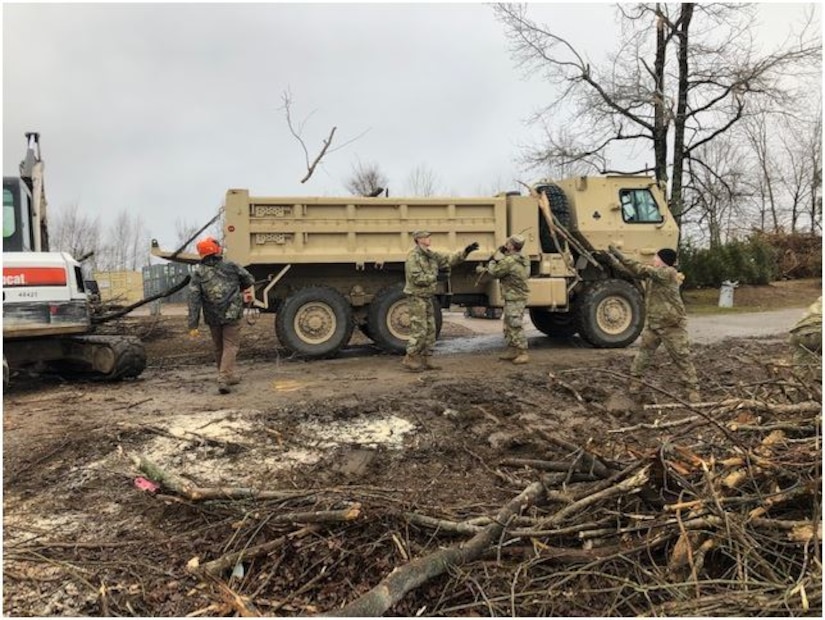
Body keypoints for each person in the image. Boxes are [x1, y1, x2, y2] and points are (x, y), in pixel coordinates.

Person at [607, 245, 700, 403]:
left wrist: (618, 254)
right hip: (654, 324)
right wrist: (611, 261)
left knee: (681, 357)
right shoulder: (654, 275)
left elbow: (638, 267)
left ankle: (692, 390)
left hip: (672, 325)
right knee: (644, 354)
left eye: (656, 257)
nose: (653, 259)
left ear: (663, 261)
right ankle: (635, 382)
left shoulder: (668, 273)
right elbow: (631, 271)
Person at [188, 236, 255, 394]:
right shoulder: (231, 266)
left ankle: (226, 375)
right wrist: (239, 288)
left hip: (213, 316)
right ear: (216, 250)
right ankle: (224, 378)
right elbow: (249, 279)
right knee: (230, 346)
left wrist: (193, 325)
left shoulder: (199, 273)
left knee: (219, 347)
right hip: (232, 312)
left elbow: (194, 300)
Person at [403, 231, 478, 371]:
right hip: (417, 296)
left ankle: (427, 358)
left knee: (431, 329)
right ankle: (410, 357)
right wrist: (435, 277)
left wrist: (466, 252)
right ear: (418, 240)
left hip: (427, 297)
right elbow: (416, 278)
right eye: (426, 237)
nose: (429, 239)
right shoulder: (413, 257)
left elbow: (449, 259)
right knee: (420, 329)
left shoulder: (431, 255)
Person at [484, 234, 531, 364]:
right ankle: (513, 350)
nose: (506, 244)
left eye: (508, 243)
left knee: (514, 324)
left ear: (511, 246)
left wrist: (492, 261)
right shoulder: (523, 258)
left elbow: (495, 272)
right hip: (516, 296)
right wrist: (505, 254)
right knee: (509, 323)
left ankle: (522, 352)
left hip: (514, 296)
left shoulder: (509, 261)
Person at [788, 295, 822, 367]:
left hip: (797, 334)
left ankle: (801, 376)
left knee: (803, 365)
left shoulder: (819, 301)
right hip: (819, 332)